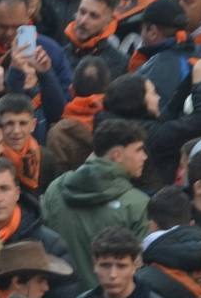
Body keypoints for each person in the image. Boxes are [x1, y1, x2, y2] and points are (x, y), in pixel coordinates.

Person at [42, 119, 150, 288]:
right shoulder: (137, 204)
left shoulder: (55, 189)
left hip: (57, 297)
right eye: (138, 150)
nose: (144, 156)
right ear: (117, 155)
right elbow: (138, 267)